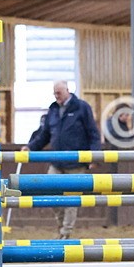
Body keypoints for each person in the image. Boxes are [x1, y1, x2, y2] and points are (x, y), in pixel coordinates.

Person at [24, 81, 102, 238]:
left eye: (59, 93)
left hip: (76, 163)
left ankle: (66, 233)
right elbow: (44, 134)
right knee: (49, 193)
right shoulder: (53, 109)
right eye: (55, 93)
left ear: (67, 91)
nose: (56, 96)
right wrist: (31, 147)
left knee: (71, 200)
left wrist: (94, 156)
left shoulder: (82, 107)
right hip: (56, 161)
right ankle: (61, 227)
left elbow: (93, 133)